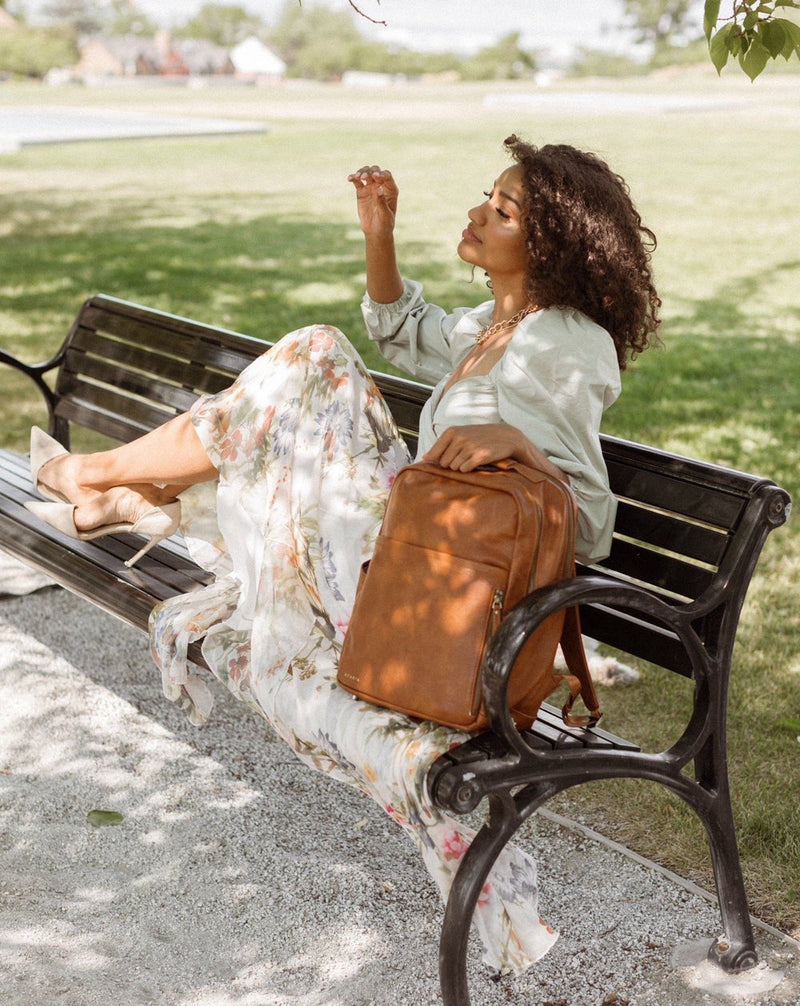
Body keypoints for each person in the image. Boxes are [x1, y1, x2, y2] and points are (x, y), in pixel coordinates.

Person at [26, 135, 660, 976]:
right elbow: (399, 326)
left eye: (501, 211)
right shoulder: (497, 326)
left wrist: (518, 444)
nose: (477, 213)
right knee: (310, 361)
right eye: (487, 195)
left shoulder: (565, 343)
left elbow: (588, 526)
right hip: (411, 557)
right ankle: (116, 488)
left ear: (546, 247)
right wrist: (379, 232)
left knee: (315, 356)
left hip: (445, 598)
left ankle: (102, 480)